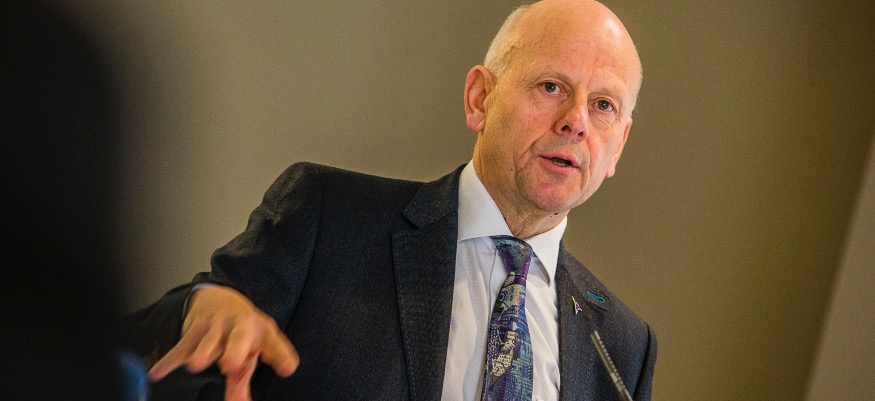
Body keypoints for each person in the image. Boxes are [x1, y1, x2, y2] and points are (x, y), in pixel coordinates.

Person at [129, 0, 657, 400]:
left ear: (619, 147)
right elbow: (131, 352)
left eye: (603, 105)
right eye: (551, 87)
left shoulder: (622, 346)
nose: (576, 121)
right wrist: (196, 310)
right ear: (480, 98)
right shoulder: (328, 221)